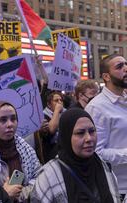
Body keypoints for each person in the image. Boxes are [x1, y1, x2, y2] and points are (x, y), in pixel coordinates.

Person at [30, 108, 120, 202]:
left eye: (92, 131)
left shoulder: (104, 166)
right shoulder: (49, 176)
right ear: (66, 136)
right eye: (80, 133)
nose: (89, 138)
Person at [85, 53, 127, 200]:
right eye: (119, 66)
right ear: (106, 76)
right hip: (116, 188)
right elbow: (95, 152)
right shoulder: (97, 108)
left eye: (126, 64)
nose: (126, 68)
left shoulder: (125, 100)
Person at [0, 101, 41, 202]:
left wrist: (21, 193)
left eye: (13, 119)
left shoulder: (25, 147)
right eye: (3, 120)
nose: (10, 124)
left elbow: (39, 177)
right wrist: (4, 195)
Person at [41, 91, 65, 163]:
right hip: (50, 154)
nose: (59, 102)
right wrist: (57, 110)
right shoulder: (43, 116)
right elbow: (51, 130)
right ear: (48, 104)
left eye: (61, 100)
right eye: (56, 100)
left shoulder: (65, 113)